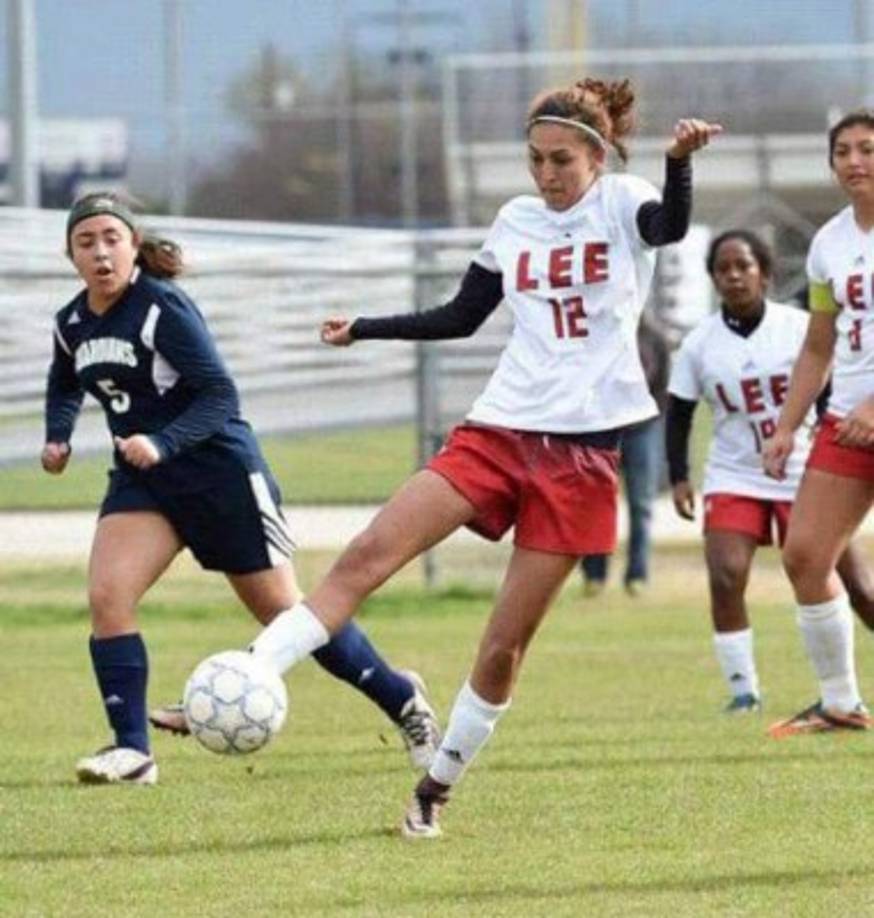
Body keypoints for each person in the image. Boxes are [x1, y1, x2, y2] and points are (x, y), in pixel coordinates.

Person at [234, 77, 721, 838]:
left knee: (502, 645)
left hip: (583, 455)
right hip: (498, 430)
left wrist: (680, 162)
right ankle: (252, 671)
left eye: (561, 160)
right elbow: (462, 316)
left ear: (596, 156)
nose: (546, 175)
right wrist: (365, 327)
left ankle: (436, 786)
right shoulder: (516, 220)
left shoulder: (625, 200)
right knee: (366, 554)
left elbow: (671, 223)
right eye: (535, 160)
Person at [42, 192, 440, 786]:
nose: (100, 252)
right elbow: (65, 381)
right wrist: (58, 436)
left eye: (111, 238)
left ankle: (402, 701)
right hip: (147, 482)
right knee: (108, 596)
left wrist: (165, 442)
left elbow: (221, 395)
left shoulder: (162, 308)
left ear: (133, 246)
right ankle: (132, 751)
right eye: (86, 241)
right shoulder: (71, 322)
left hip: (220, 475)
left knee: (286, 614)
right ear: (70, 253)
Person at [666, 228, 874, 716]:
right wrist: (679, 475)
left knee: (860, 588)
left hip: (807, 465)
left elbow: (826, 380)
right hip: (737, 471)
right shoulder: (699, 343)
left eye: (744, 266)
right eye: (723, 269)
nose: (734, 276)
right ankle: (748, 692)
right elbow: (678, 412)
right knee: (727, 573)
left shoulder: (798, 325)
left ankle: (841, 701)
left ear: (765, 272)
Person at [761, 109, 874, 736]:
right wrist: (786, 425)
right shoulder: (830, 243)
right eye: (843, 152)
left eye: (867, 148)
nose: (854, 161)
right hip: (846, 424)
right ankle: (840, 703)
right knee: (805, 554)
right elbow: (818, 347)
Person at [581, 311, 670, 597]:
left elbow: (663, 386)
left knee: (640, 505)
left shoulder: (653, 338)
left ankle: (637, 575)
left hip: (643, 430)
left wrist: (646, 415)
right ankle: (594, 574)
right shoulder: (596, 336)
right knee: (597, 503)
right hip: (603, 429)